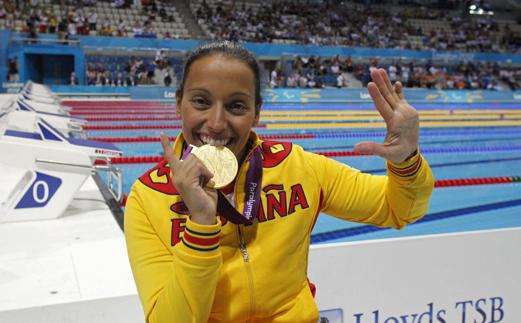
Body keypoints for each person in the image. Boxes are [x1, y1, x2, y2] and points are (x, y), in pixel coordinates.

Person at [125, 41, 434, 322]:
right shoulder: (149, 196)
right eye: (201, 102)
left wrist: (407, 162)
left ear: (256, 113)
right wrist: (201, 225)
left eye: (236, 106)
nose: (217, 124)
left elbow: (399, 209)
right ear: (179, 103)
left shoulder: (297, 168)